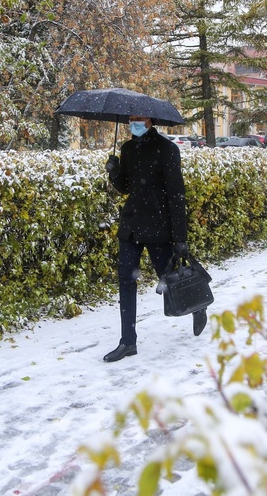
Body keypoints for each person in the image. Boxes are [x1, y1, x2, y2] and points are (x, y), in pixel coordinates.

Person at [103, 115, 207, 362]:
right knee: (126, 281)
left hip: (158, 226)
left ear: (149, 120)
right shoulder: (127, 148)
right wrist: (115, 172)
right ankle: (128, 342)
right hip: (131, 226)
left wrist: (180, 237)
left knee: (171, 280)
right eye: (130, 119)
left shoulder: (167, 149)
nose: (133, 123)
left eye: (137, 119)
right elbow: (126, 186)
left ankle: (198, 306)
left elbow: (176, 193)